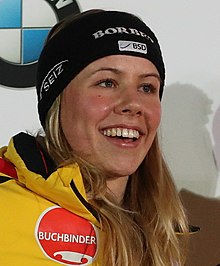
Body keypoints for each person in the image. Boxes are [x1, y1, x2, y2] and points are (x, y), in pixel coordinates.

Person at [0, 9, 190, 266]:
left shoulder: (165, 232)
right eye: (107, 83)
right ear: (58, 99)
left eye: (147, 87)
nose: (133, 104)